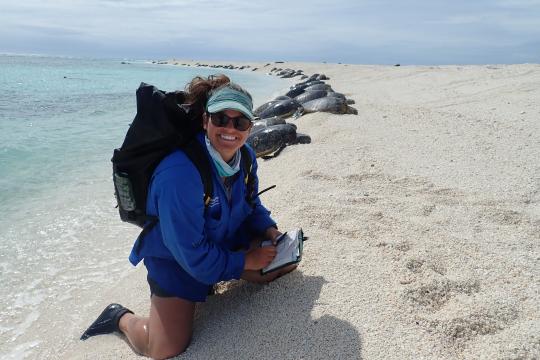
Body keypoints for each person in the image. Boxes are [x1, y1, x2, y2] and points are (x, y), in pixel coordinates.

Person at [80, 75, 296, 359]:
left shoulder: (246, 157)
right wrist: (244, 261)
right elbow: (191, 254)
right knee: (163, 349)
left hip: (223, 238)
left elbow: (251, 203)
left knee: (281, 265)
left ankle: (219, 275)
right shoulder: (178, 174)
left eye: (240, 122)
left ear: (249, 127)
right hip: (177, 260)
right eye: (221, 119)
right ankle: (119, 317)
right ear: (206, 121)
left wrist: (270, 230)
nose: (230, 129)